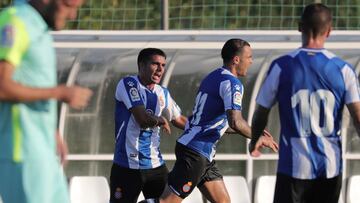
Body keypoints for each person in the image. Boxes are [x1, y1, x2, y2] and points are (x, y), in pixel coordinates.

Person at [140, 39, 278, 203]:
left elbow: (218, 123)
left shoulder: (213, 77)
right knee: (167, 201)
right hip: (196, 152)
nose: (251, 61)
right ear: (236, 59)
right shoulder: (232, 84)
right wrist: (257, 137)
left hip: (202, 153)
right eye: (249, 57)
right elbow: (235, 122)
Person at [250, 3, 360, 203]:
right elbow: (358, 119)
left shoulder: (281, 67)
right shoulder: (343, 70)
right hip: (330, 168)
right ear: (329, 31)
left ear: (300, 26)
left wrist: (254, 139)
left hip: (293, 167)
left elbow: (261, 112)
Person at [0, 0, 93, 203]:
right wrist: (59, 92)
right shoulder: (16, 21)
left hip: (43, 153)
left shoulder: (38, 28)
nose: (72, 16)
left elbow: (29, 80)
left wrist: (51, 131)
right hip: (22, 153)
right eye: (69, 6)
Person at [110, 48, 187, 203]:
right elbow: (142, 118)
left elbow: (179, 120)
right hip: (127, 166)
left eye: (163, 65)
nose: (160, 69)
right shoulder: (129, 84)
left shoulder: (162, 92)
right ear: (141, 65)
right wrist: (160, 120)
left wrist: (208, 127)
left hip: (155, 166)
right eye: (155, 64)